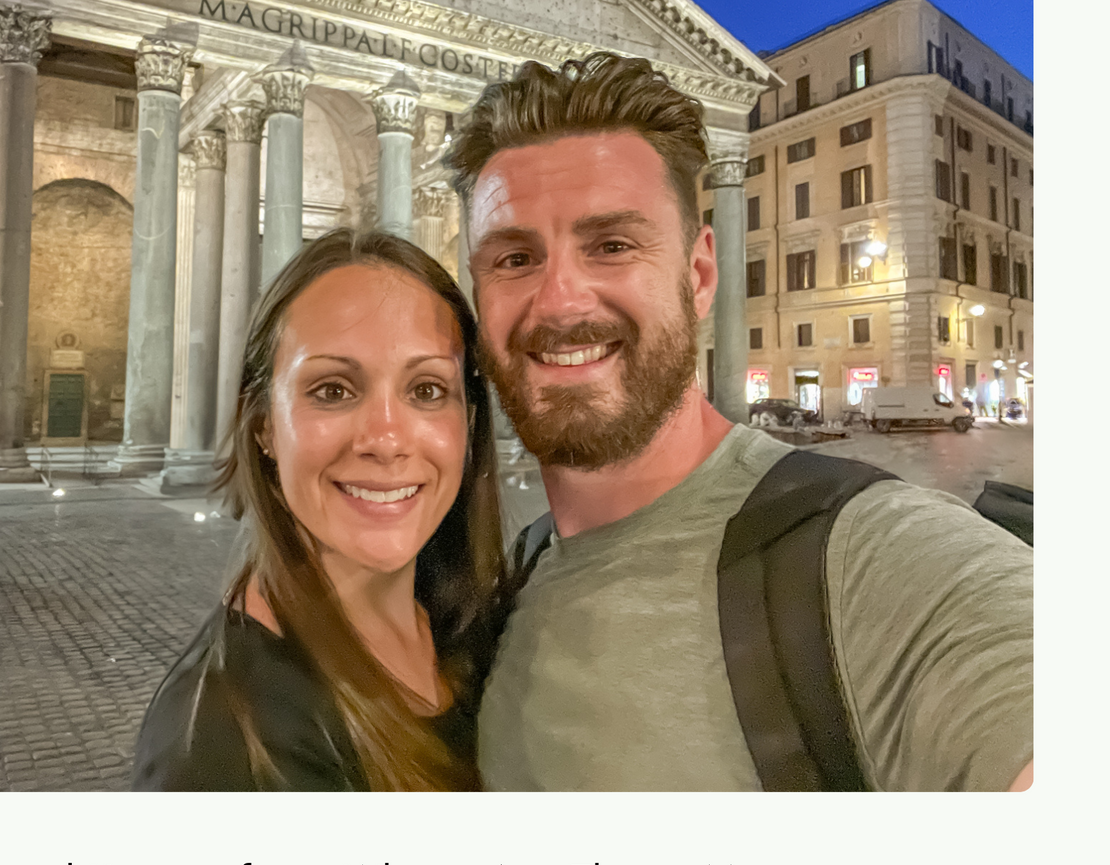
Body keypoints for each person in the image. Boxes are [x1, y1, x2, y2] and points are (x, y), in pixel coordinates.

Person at [442, 52, 1032, 792]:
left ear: (697, 276)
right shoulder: (522, 564)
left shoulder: (873, 560)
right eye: (515, 256)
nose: (560, 301)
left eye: (612, 245)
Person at [131, 229, 504, 791]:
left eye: (427, 390)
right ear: (263, 427)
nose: (386, 438)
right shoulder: (222, 747)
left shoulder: (482, 627)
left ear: (469, 423)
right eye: (332, 390)